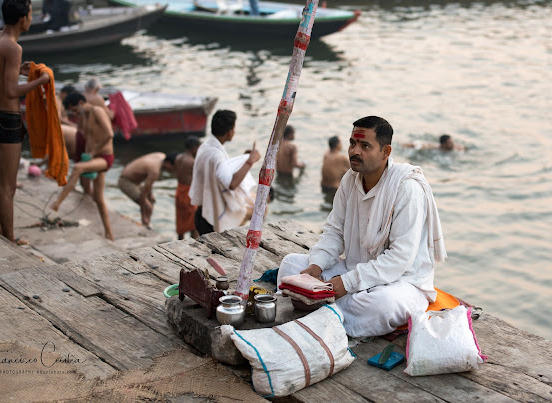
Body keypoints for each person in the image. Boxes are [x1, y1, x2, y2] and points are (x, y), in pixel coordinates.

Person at [277, 116, 447, 338]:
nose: (354, 151)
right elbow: (334, 231)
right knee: (291, 265)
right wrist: (316, 266)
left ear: (386, 152)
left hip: (401, 283)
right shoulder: (350, 179)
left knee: (382, 305)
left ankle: (320, 306)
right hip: (355, 269)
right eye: (352, 143)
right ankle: (331, 308)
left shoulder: (407, 189)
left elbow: (400, 259)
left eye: (365, 146)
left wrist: (347, 283)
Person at [0, 0, 50, 245]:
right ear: (23, 18)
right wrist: (40, 81)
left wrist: (12, 71)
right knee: (8, 186)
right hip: (8, 120)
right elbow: (11, 91)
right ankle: (9, 238)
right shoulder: (13, 46)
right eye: (30, 13)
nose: (31, 17)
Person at [51, 92, 114, 240]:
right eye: (72, 112)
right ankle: (109, 234)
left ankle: (57, 204)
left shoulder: (97, 111)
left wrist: (93, 152)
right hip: (93, 157)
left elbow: (109, 134)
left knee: (78, 168)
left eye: (74, 110)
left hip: (104, 157)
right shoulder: (84, 117)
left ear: (80, 102)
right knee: (99, 198)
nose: (74, 113)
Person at [189, 109, 261, 235]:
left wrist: (243, 159)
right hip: (211, 218)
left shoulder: (206, 146)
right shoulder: (217, 155)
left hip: (202, 212)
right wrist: (250, 161)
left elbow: (221, 171)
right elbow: (231, 184)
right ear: (229, 132)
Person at [118, 152, 177, 228]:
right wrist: (146, 204)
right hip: (126, 181)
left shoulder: (161, 155)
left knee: (151, 200)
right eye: (174, 167)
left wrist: (150, 195)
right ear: (168, 163)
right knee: (147, 205)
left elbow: (148, 184)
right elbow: (143, 194)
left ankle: (146, 222)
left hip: (136, 181)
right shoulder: (155, 171)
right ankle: (145, 223)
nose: (174, 170)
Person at [174, 136, 201, 239]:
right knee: (194, 225)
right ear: (194, 147)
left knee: (181, 221)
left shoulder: (178, 158)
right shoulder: (192, 162)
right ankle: (194, 246)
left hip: (179, 192)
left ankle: (178, 244)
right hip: (189, 194)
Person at [401, 134, 466, 152]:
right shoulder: (434, 147)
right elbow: (422, 145)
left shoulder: (454, 147)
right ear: (444, 144)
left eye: (452, 142)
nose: (452, 144)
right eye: (450, 142)